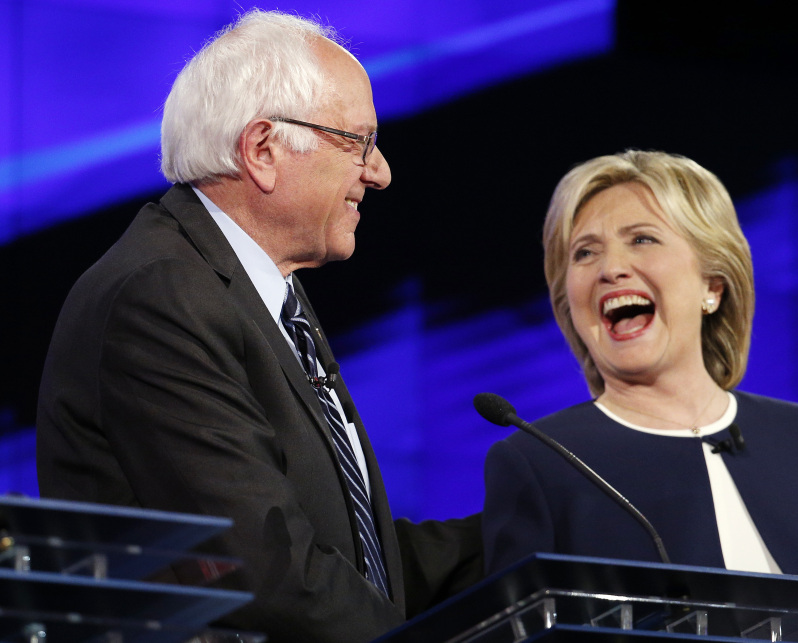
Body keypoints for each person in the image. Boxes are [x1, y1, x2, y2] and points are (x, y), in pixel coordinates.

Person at [36, 10, 480, 643]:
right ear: (264, 150)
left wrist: (534, 522)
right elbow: (267, 568)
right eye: (358, 142)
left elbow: (345, 553)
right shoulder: (163, 296)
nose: (378, 172)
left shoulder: (258, 291)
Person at [482, 150, 798, 641]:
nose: (609, 268)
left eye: (641, 239)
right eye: (584, 252)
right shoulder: (541, 461)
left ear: (713, 285)